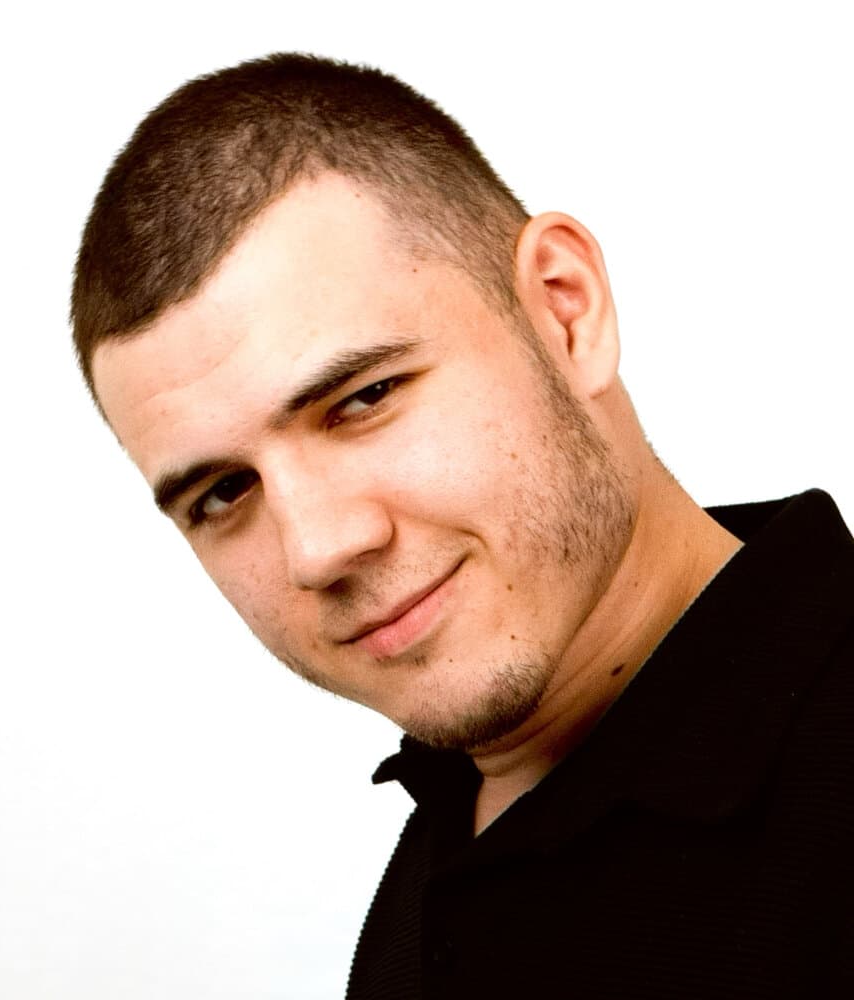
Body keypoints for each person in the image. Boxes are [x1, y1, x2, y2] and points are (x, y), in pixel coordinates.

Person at [71, 53, 854, 997]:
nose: (318, 548)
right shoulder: (454, 835)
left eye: (363, 399)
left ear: (564, 312)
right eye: (224, 494)